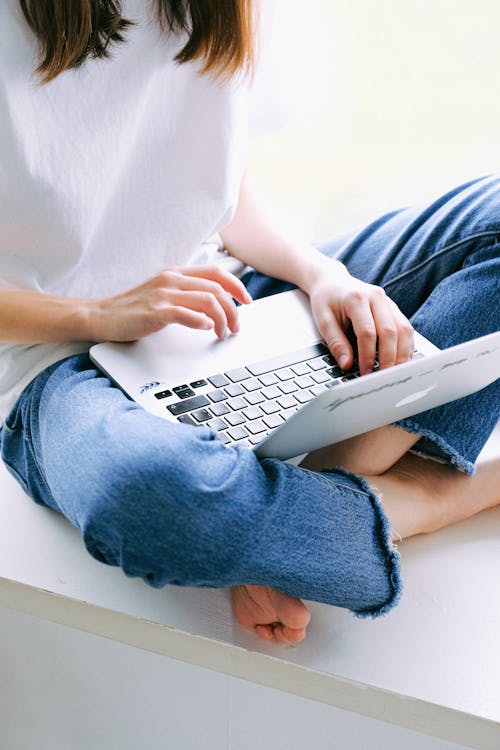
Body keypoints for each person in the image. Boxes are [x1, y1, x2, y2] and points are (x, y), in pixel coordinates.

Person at [0, 0, 498, 645]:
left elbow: (212, 166)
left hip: (231, 296)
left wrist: (320, 275)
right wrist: (94, 312)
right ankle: (433, 495)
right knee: (153, 503)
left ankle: (323, 494)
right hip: (56, 362)